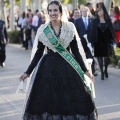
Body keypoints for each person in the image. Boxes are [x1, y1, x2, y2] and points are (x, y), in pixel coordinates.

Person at [20, 1, 98, 119]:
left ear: (61, 12)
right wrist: (28, 72)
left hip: (68, 68)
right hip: (47, 70)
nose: (53, 13)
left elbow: (75, 51)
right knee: (49, 102)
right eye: (50, 11)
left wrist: (85, 70)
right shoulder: (43, 30)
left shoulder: (69, 27)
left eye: (55, 10)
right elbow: (38, 53)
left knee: (72, 101)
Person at [90, 2, 115, 80]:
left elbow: (111, 30)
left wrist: (112, 40)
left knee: (107, 57)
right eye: (98, 11)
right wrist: (92, 42)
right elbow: (92, 32)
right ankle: (102, 72)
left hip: (106, 41)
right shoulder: (95, 21)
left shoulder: (108, 20)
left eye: (100, 10)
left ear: (104, 11)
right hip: (98, 41)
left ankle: (106, 70)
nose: (99, 12)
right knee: (100, 57)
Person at [75, 6, 97, 76]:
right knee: (82, 57)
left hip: (90, 42)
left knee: (90, 56)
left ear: (88, 12)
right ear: (81, 13)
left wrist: (93, 41)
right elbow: (76, 32)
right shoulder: (77, 21)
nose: (84, 13)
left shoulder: (92, 20)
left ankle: (92, 71)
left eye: (86, 11)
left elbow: (95, 31)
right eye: (83, 11)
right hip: (81, 42)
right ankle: (83, 70)